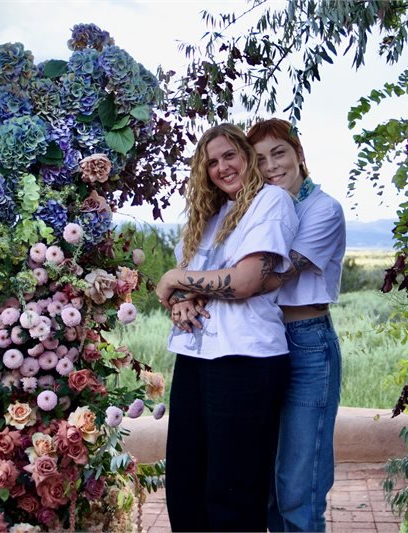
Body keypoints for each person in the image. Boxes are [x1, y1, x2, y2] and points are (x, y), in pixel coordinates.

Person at [170, 118, 346, 532]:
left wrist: (186, 287)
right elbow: (222, 272)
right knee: (258, 477)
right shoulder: (244, 208)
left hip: (305, 342)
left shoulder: (321, 209)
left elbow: (264, 280)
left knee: (297, 484)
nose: (270, 166)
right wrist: (189, 292)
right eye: (260, 157)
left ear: (298, 154)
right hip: (263, 339)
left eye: (278, 154)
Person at [155, 123, 299, 532]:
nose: (222, 167)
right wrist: (180, 300)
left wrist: (175, 280)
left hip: (246, 361)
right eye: (212, 162)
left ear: (247, 156)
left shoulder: (271, 202)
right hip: (196, 356)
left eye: (229, 155)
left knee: (232, 493)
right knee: (184, 484)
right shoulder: (212, 216)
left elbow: (246, 280)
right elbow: (195, 281)